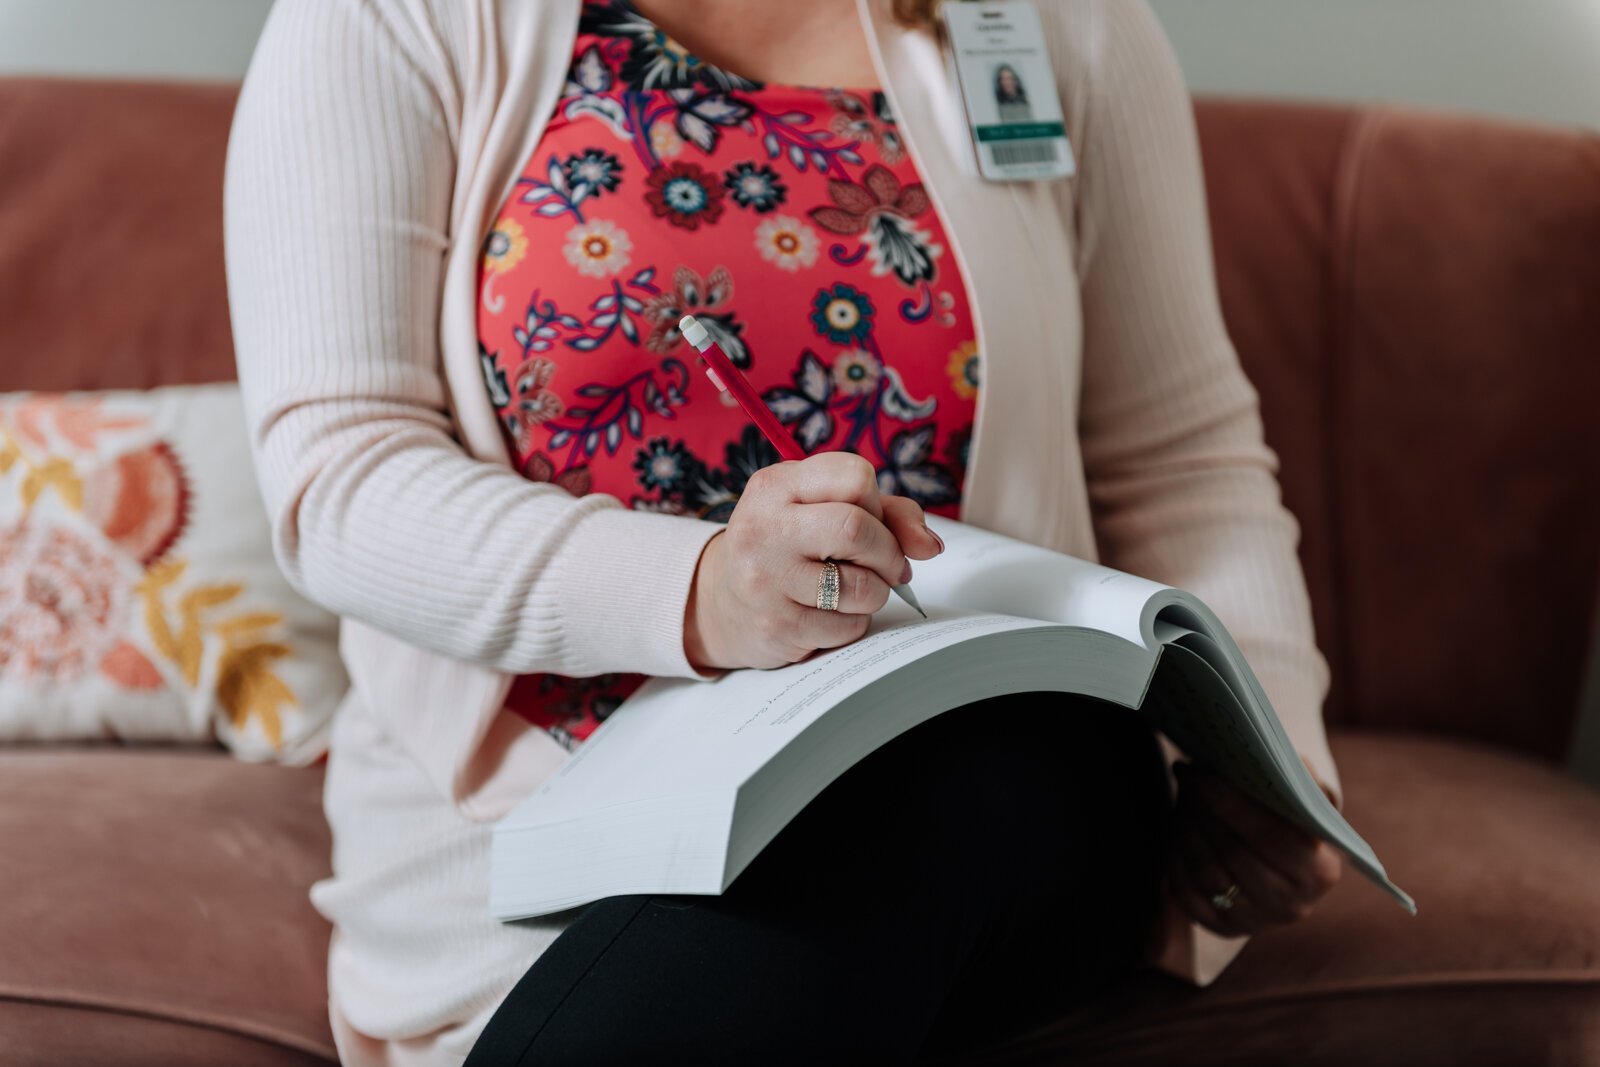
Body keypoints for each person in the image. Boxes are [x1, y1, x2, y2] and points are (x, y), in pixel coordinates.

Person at [223, 0, 1347, 1062]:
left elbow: (1182, 455)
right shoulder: (388, 18)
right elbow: (344, 474)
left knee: (952, 762)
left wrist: (1267, 754)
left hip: (1001, 779)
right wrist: (705, 588)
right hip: (533, 823)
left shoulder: (1053, 20)